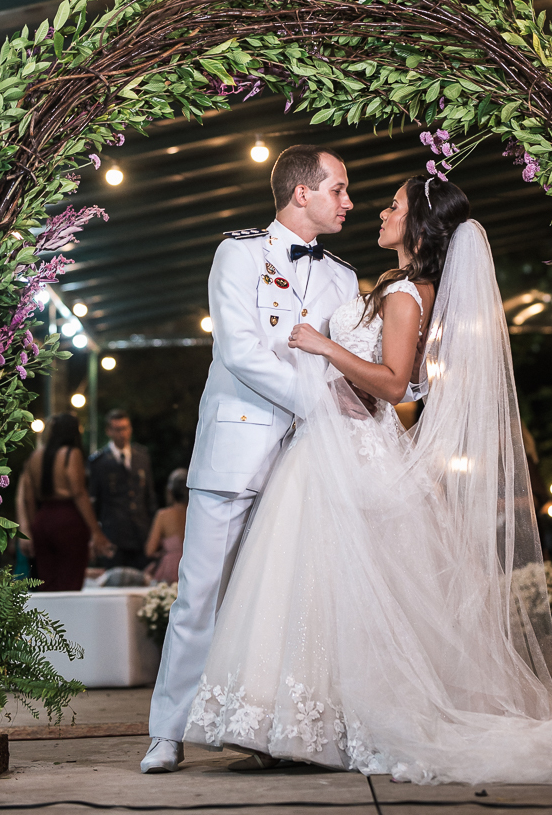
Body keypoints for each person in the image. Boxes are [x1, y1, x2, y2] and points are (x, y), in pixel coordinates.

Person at [184, 177, 552, 784]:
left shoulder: (405, 292)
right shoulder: (396, 285)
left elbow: (395, 384)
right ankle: (300, 723)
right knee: (323, 585)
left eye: (393, 205)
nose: (379, 210)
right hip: (331, 441)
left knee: (324, 580)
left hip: (349, 446)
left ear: (419, 226)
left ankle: (311, 724)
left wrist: (325, 347)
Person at [141, 145, 361, 773]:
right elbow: (239, 350)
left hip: (310, 463)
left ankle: (266, 731)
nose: (348, 201)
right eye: (339, 189)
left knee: (287, 600)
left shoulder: (345, 278)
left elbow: (344, 361)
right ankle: (167, 730)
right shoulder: (237, 253)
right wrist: (315, 404)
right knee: (201, 594)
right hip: (238, 446)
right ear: (302, 193)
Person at [23, 413, 113, 591]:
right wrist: (96, 531)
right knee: (70, 580)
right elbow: (79, 493)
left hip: (42, 520)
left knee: (46, 581)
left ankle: (48, 618)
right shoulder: (72, 454)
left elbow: (28, 497)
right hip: (68, 520)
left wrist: (34, 528)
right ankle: (67, 619)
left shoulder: (35, 456)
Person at [88, 409, 157, 570]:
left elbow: (149, 497)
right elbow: (94, 502)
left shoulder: (142, 456)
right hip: (114, 536)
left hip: (141, 534)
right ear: (109, 431)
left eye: (125, 428)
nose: (123, 434)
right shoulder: (99, 462)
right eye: (118, 429)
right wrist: (96, 535)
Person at [146, 468, 189, 583]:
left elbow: (150, 550)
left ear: (170, 492)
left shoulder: (163, 516)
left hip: (170, 571)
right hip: (192, 567)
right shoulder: (196, 516)